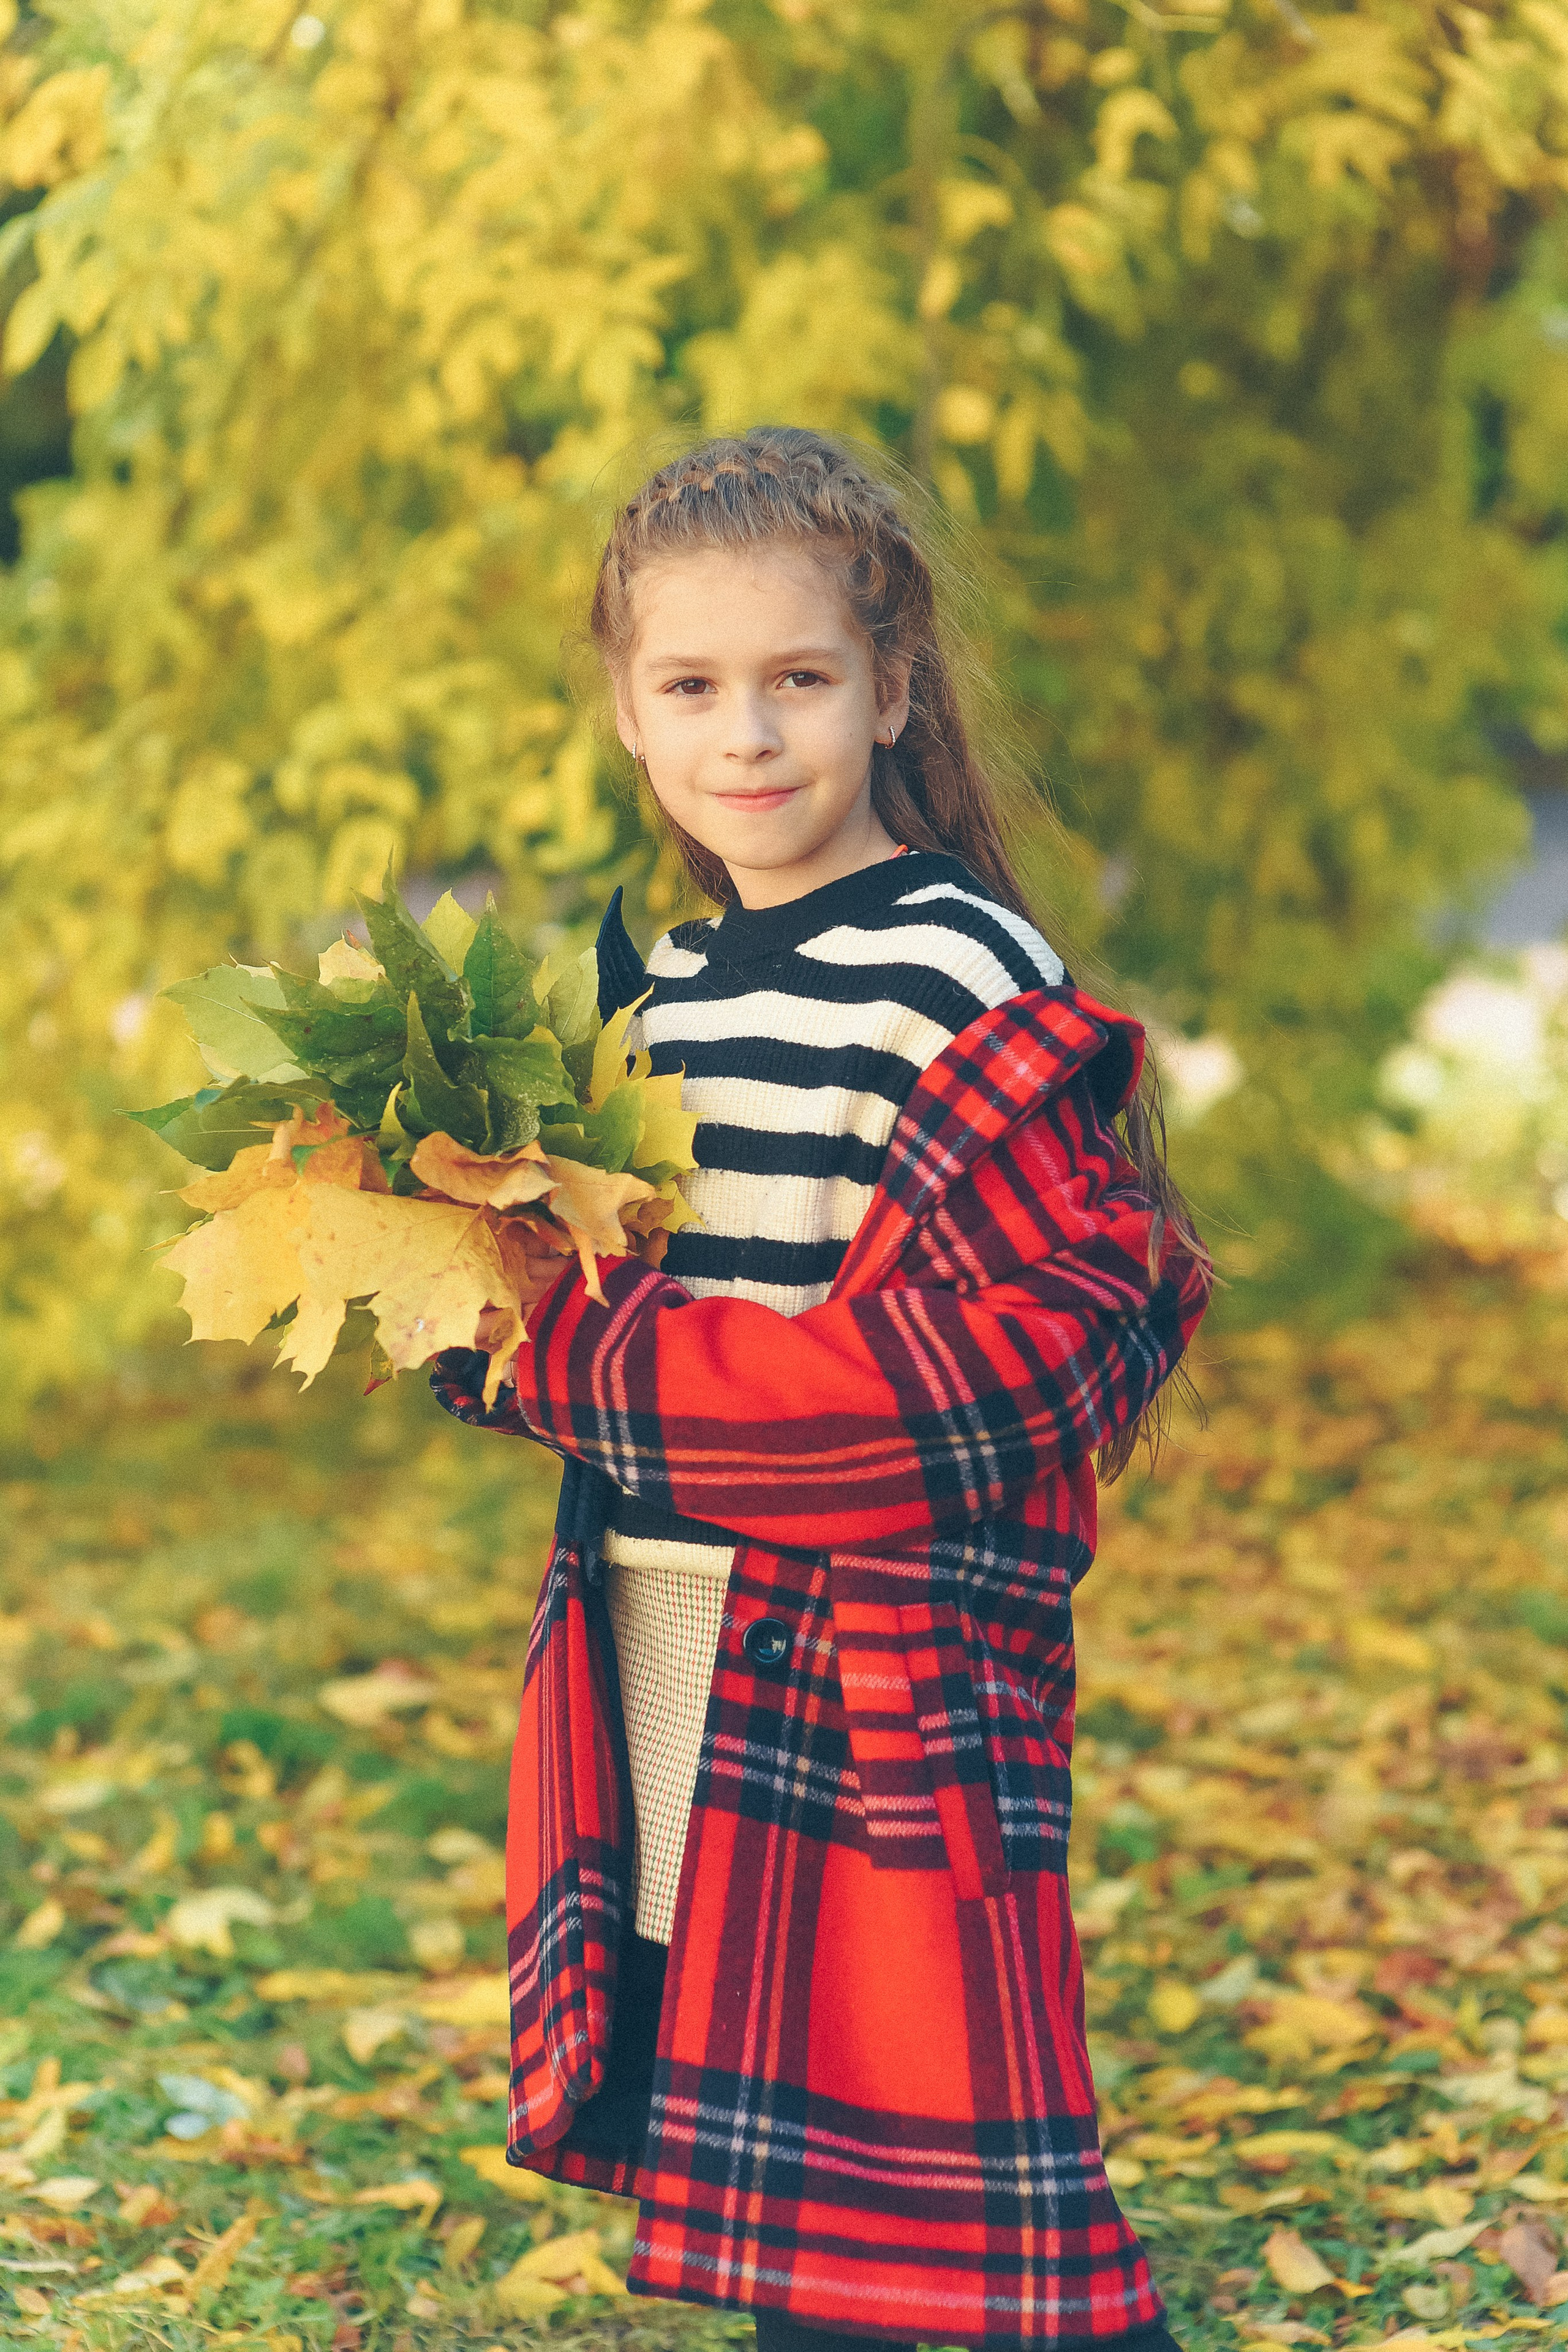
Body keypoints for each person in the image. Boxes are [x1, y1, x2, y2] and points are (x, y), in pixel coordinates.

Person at [431, 426, 1212, 2352]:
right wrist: (467, 1289)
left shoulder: (957, 965)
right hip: (675, 1627)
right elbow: (614, 1304)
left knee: (956, 2161)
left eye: (797, 679)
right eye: (692, 686)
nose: (747, 736)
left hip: (882, 1652)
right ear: (627, 706)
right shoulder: (657, 997)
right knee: (775, 2187)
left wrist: (580, 1361)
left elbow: (1011, 1360)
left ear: (891, 688)